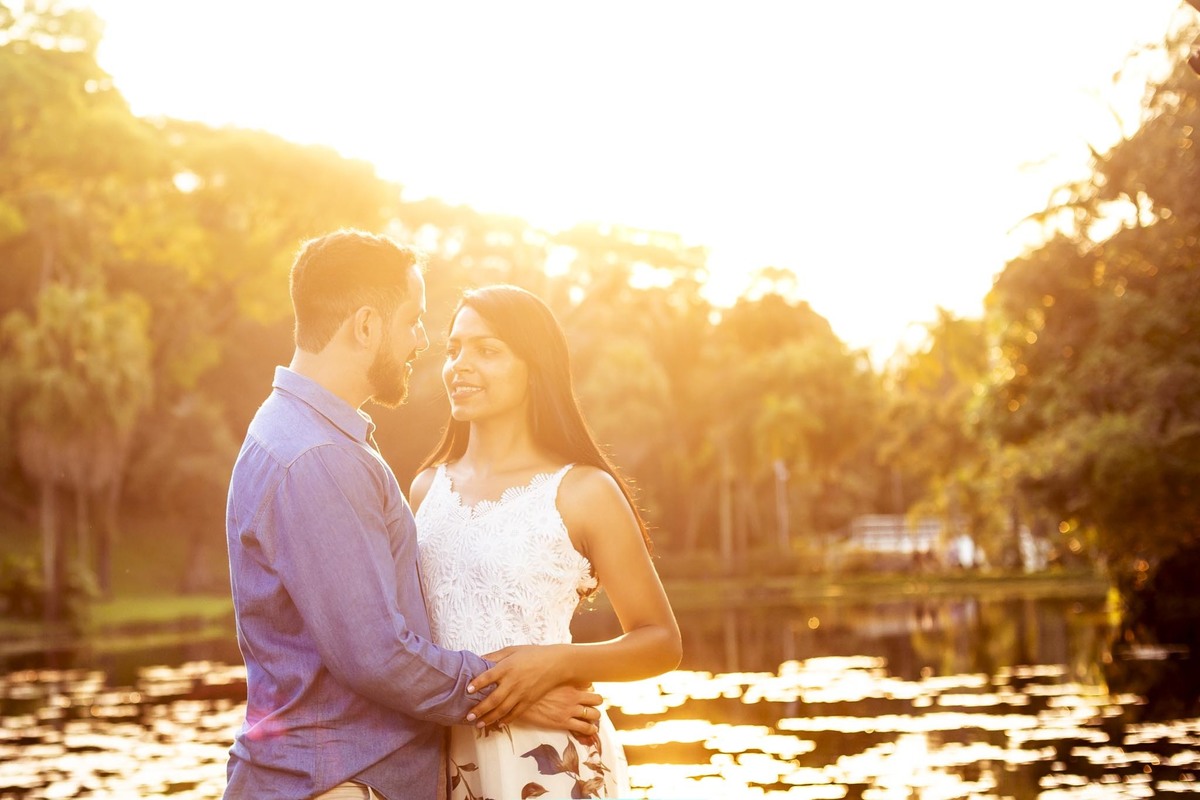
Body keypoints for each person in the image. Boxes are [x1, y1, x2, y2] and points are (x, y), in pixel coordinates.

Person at [223, 232, 600, 800]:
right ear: (367, 326)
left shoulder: (292, 432)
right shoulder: (320, 458)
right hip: (341, 784)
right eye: (413, 321)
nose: (423, 340)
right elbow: (377, 655)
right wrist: (511, 695)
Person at [410, 284, 683, 799]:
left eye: (487, 350)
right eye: (454, 349)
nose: (460, 364)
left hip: (551, 760)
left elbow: (661, 642)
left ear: (534, 368)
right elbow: (409, 642)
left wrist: (556, 662)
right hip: (441, 752)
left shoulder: (583, 490)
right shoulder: (425, 489)